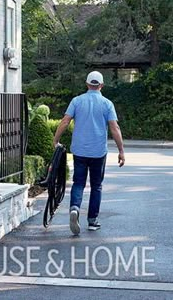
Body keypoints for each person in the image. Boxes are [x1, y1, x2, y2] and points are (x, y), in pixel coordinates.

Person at [52, 71, 125, 235]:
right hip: (98, 151)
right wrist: (121, 151)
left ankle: (75, 208)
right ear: (101, 86)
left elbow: (65, 121)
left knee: (78, 183)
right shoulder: (107, 104)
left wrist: (56, 140)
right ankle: (92, 221)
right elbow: (115, 127)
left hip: (79, 150)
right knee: (96, 186)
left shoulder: (77, 101)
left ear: (86, 84)